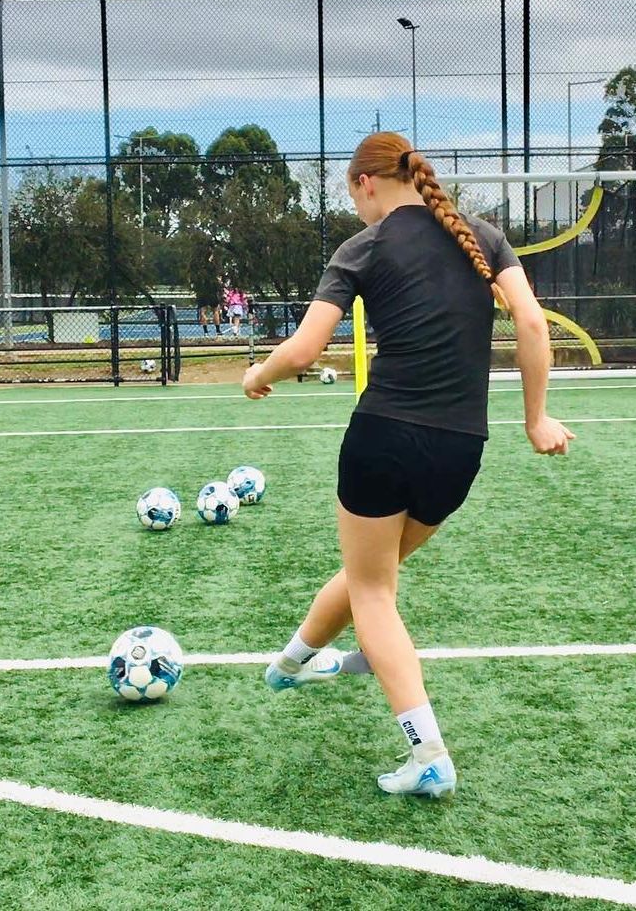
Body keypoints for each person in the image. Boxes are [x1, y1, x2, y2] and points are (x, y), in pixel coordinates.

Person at [242, 132, 573, 798]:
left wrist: (258, 373)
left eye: (351, 193)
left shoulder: (361, 247)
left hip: (385, 436)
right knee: (372, 576)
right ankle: (291, 663)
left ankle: (428, 753)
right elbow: (533, 327)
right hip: (460, 450)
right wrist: (535, 418)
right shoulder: (482, 235)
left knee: (373, 591)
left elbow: (305, 350)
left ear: (367, 183)